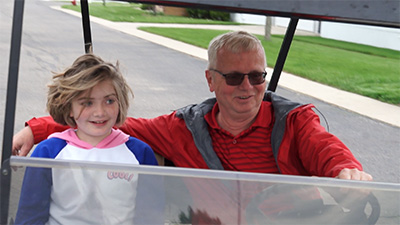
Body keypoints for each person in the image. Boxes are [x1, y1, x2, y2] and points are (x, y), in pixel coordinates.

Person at [13, 31, 371, 180]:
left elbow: (328, 151)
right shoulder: (184, 127)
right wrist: (38, 128)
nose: (248, 87)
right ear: (211, 81)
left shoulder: (294, 121)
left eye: (257, 76)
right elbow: (110, 123)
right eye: (233, 78)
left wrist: (346, 170)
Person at [15, 54, 159, 225]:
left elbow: (150, 216)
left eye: (109, 101)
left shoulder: (140, 153)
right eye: (87, 103)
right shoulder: (48, 152)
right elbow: (30, 216)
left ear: (120, 103)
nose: (100, 112)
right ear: (69, 107)